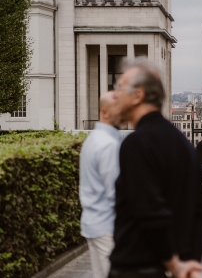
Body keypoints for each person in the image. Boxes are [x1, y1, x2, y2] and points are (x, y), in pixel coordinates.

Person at [109, 60, 202, 278]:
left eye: (119, 87)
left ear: (138, 95)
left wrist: (174, 265)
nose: (114, 94)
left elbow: (149, 213)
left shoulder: (136, 143)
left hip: (136, 269)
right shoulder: (183, 144)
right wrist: (190, 263)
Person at [79, 91, 122, 278]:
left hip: (92, 222)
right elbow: (115, 191)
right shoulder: (108, 144)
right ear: (105, 112)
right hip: (107, 226)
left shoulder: (92, 140)